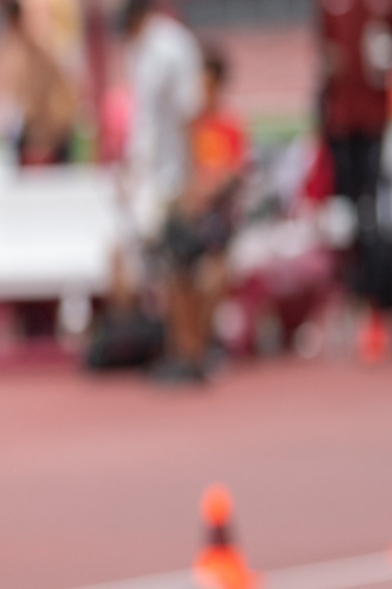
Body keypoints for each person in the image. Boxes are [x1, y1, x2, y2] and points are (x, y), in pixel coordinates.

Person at [120, 0, 204, 382]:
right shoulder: (140, 50)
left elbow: (189, 115)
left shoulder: (173, 47)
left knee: (183, 266)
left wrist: (192, 178)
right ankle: (178, 350)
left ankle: (193, 351)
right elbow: (144, 122)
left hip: (176, 175)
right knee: (166, 268)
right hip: (153, 177)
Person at [157, 43, 249, 377]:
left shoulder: (229, 126)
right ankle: (184, 350)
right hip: (188, 219)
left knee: (209, 276)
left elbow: (233, 174)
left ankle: (202, 348)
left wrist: (208, 190)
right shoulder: (187, 128)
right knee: (173, 272)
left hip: (216, 224)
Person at [317, 0, 392, 361]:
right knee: (346, 220)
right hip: (342, 125)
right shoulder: (329, 7)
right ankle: (355, 304)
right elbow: (326, 58)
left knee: (372, 218)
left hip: (376, 123)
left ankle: (376, 307)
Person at [0, 0, 79, 167]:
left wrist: (48, 138)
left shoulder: (44, 52)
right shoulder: (12, 51)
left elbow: (65, 97)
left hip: (50, 137)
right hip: (27, 134)